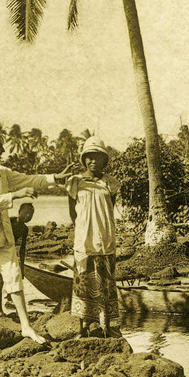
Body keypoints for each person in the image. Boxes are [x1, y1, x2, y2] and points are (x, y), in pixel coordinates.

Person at [0, 130, 67, 352]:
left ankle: (26, 327)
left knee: (14, 277)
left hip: (2, 234)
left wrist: (54, 178)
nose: (3, 150)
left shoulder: (3, 171)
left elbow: (30, 179)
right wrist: (16, 195)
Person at [66, 136, 122, 338]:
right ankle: (83, 327)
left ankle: (106, 325)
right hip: (84, 240)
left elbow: (109, 209)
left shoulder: (111, 184)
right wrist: (83, 228)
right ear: (84, 160)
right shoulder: (75, 182)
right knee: (83, 283)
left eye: (97, 158)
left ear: (104, 161)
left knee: (105, 284)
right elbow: (73, 213)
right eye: (89, 158)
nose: (93, 162)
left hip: (105, 239)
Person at [0, 202, 33, 316]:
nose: (27, 216)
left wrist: (22, 267)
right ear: (19, 211)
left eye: (30, 214)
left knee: (15, 279)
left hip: (10, 253)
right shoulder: (10, 221)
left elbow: (22, 249)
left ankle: (17, 308)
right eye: (25, 213)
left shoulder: (24, 229)